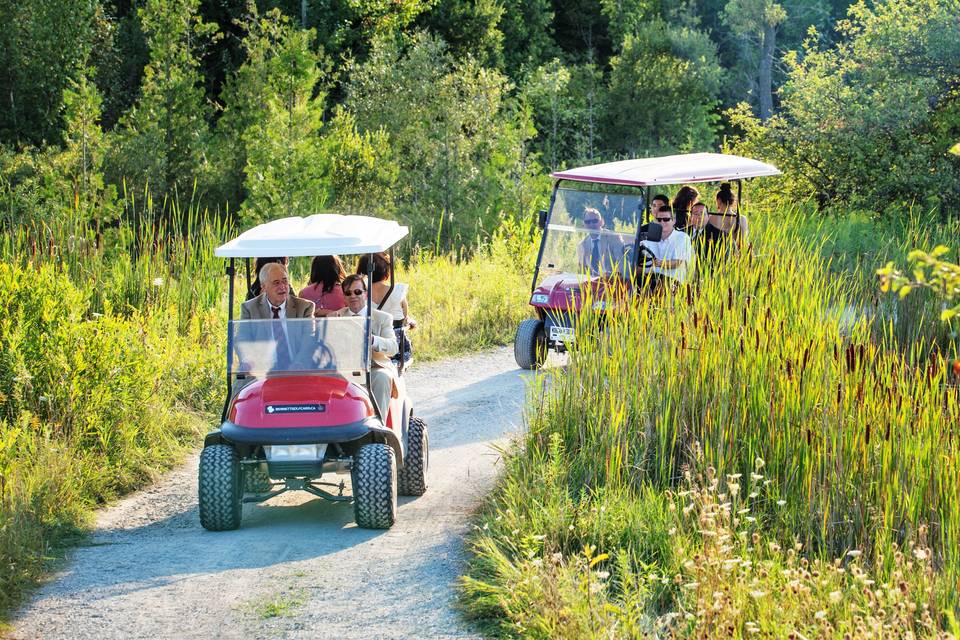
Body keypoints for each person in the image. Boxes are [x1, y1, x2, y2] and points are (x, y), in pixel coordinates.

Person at [332, 274, 398, 419]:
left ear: (365, 294)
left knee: (382, 378)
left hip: (374, 367)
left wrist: (373, 339)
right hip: (345, 369)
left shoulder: (382, 318)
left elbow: (393, 347)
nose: (353, 296)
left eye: (357, 292)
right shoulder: (336, 317)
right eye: (348, 293)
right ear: (344, 297)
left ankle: (378, 427)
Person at [239, 262, 315, 371]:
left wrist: (300, 363)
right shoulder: (249, 308)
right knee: (239, 387)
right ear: (264, 287)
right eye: (276, 283)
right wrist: (248, 359)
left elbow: (310, 339)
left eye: (285, 281)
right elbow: (242, 337)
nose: (282, 287)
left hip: (298, 369)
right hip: (260, 370)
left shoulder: (304, 307)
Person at [357, 252, 415, 365]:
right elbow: (404, 317)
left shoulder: (358, 295)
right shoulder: (398, 291)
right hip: (396, 349)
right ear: (385, 271)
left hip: (368, 349)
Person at [639, 205, 693, 291]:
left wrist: (660, 263)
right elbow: (640, 262)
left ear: (674, 221)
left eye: (666, 219)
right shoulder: (647, 237)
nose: (662, 222)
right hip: (648, 279)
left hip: (672, 283)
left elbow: (678, 262)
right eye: (659, 220)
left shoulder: (682, 237)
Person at [577, 207, 626, 276]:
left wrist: (611, 276)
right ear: (584, 224)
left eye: (594, 221)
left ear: (601, 222)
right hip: (591, 284)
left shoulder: (614, 238)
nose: (591, 224)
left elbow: (623, 265)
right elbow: (581, 272)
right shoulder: (582, 245)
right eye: (587, 222)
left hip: (611, 282)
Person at [709, 182, 749, 250]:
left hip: (716, 252)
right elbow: (744, 242)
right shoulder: (741, 219)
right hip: (734, 254)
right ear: (732, 201)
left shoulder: (711, 218)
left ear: (719, 200)